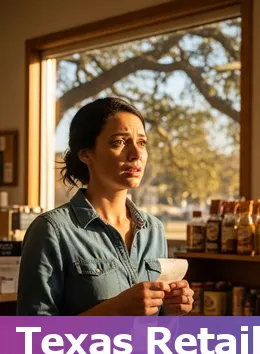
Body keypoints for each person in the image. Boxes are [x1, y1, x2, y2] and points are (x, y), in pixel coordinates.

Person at [16, 97, 194, 316]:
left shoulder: (153, 230)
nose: (136, 154)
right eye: (119, 142)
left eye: (141, 142)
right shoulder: (52, 230)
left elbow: (159, 328)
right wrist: (115, 310)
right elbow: (32, 340)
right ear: (85, 154)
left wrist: (172, 310)